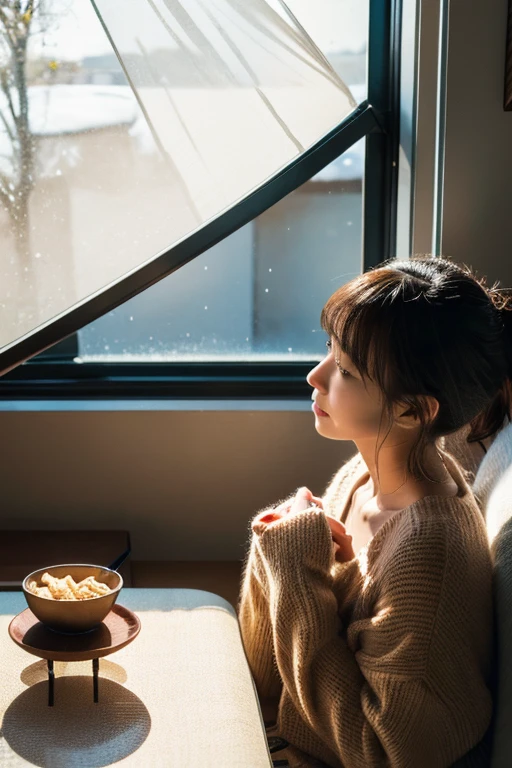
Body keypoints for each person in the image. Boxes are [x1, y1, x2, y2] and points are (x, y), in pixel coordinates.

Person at [237, 256, 509, 768]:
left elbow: (387, 755)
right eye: (328, 350)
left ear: (413, 410)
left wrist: (295, 569)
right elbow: (271, 678)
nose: (314, 376)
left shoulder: (427, 553)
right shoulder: (360, 480)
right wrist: (282, 548)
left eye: (344, 370)